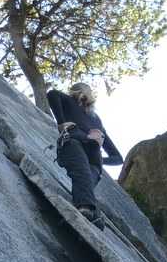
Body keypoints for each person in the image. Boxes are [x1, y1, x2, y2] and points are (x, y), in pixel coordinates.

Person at [46, 82, 124, 229]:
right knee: (82, 173)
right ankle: (88, 212)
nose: (89, 94)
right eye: (86, 90)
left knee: (86, 181)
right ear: (79, 91)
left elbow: (118, 158)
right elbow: (52, 94)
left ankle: (89, 212)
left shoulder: (96, 120)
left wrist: (101, 158)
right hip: (74, 143)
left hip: (94, 161)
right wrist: (62, 123)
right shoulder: (69, 102)